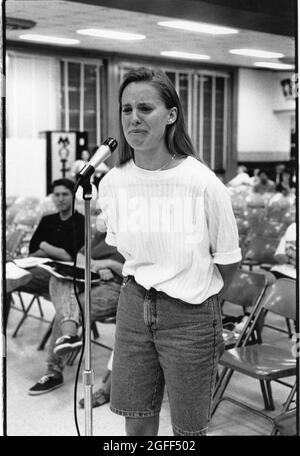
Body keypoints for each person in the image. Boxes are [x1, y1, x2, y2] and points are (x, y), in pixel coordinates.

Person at [98, 67, 241, 436]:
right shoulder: (113, 182)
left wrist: (193, 296)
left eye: (145, 108)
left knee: (188, 430)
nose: (134, 118)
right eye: (126, 109)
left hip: (191, 314)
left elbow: (229, 261)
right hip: (133, 306)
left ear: (171, 114)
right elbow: (125, 250)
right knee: (136, 418)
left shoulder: (202, 182)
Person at [28, 226, 124, 396]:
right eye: (95, 212)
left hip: (117, 286)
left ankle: (54, 370)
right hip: (91, 277)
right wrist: (95, 267)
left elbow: (136, 269)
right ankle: (69, 335)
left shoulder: (131, 232)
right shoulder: (100, 235)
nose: (97, 215)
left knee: (69, 306)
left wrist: (108, 264)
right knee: (58, 278)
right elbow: (80, 256)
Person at [16, 178, 85, 297]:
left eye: (65, 194)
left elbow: (68, 257)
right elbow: (32, 252)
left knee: (7, 281)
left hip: (60, 273)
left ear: (74, 196)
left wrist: (44, 246)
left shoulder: (80, 221)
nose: (60, 199)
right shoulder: (47, 220)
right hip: (38, 265)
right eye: (57, 195)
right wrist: (54, 252)